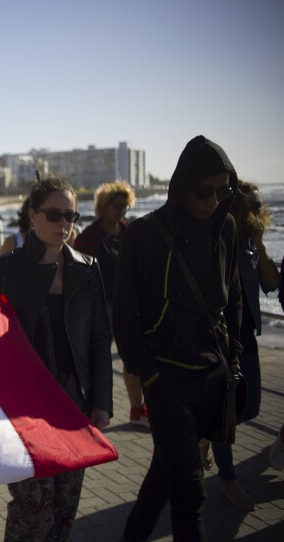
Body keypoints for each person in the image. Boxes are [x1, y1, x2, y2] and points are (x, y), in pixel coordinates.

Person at [115, 135, 242, 542]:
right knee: (190, 490)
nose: (212, 200)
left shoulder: (227, 228)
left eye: (223, 191)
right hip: (166, 379)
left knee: (165, 478)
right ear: (182, 185)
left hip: (212, 376)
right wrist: (147, 373)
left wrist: (233, 359)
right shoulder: (145, 234)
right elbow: (125, 312)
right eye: (204, 191)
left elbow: (233, 301)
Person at [0, 174, 112, 541]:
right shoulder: (3, 269)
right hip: (23, 410)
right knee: (33, 510)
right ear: (32, 214)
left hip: (74, 406)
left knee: (64, 510)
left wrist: (102, 400)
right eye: (54, 215)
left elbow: (101, 340)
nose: (64, 224)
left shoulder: (88, 268)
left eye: (71, 216)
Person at [207, 180, 278, 511]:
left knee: (250, 408)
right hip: (221, 341)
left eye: (258, 205)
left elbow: (271, 284)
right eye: (251, 205)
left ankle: (206, 434)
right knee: (228, 413)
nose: (257, 210)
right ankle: (228, 479)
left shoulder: (251, 245)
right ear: (234, 207)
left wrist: (261, 244)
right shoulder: (217, 241)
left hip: (246, 339)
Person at [74, 181, 146, 427]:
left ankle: (137, 409)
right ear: (102, 207)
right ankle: (94, 408)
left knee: (132, 356)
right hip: (99, 303)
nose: (121, 212)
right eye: (116, 206)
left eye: (125, 207)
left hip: (129, 302)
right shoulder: (88, 238)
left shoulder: (131, 233)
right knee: (99, 357)